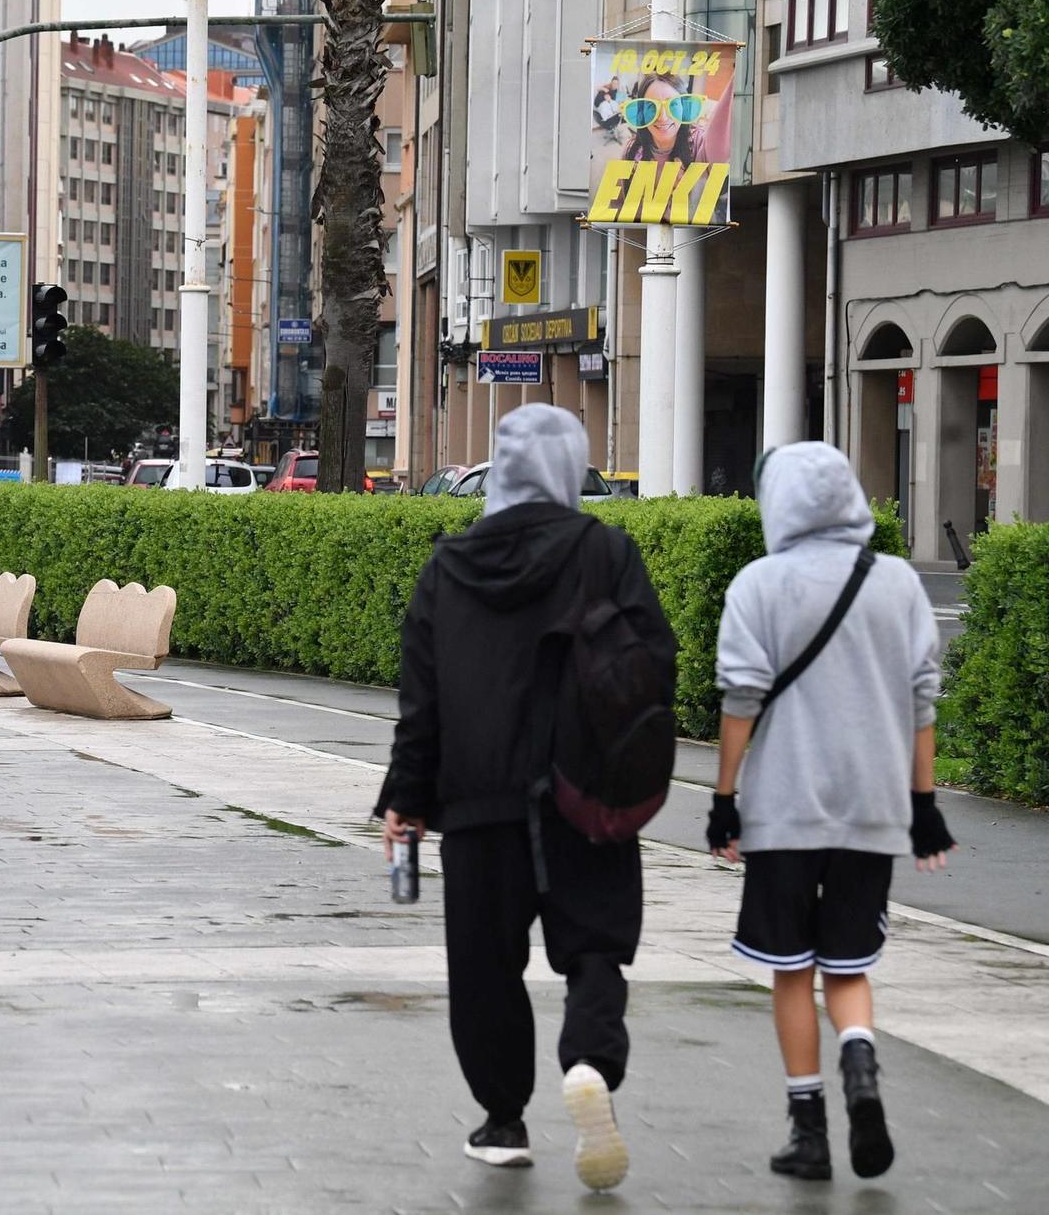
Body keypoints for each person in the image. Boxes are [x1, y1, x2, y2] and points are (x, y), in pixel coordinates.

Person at [376, 403, 674, 1193]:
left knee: (485, 965)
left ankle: (503, 1118)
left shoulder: (450, 566)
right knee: (598, 942)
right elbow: (657, 662)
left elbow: (423, 697)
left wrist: (405, 796)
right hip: (588, 793)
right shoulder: (606, 551)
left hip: (478, 797)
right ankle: (590, 1063)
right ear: (572, 464)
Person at [706, 442, 953, 1183]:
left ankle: (808, 1131)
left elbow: (742, 700)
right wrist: (925, 803)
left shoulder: (757, 584)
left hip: (784, 811)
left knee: (791, 969)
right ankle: (861, 1057)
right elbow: (921, 700)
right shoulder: (899, 583)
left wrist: (725, 799)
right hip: (872, 811)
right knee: (848, 963)